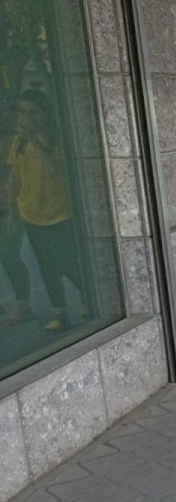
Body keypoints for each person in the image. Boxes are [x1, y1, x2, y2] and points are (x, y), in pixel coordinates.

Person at [7, 89, 86, 332]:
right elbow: (15, 175)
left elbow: (55, 170)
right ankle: (59, 312)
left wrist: (35, 139)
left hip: (60, 213)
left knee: (69, 263)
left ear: (45, 114)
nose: (27, 117)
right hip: (32, 213)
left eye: (33, 112)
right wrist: (11, 207)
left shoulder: (56, 138)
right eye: (23, 111)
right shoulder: (19, 142)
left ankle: (87, 295)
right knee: (47, 266)